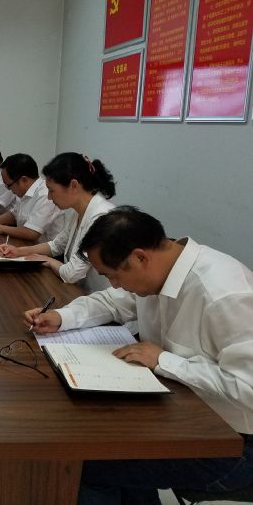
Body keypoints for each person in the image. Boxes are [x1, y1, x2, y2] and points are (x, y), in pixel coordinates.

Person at [23, 206, 253, 504]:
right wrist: (61, 317)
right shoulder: (161, 270)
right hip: (182, 409)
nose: (115, 284)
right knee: (103, 442)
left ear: (140, 258)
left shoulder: (224, 294)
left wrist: (164, 361)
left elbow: (248, 388)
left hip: (235, 444)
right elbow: (112, 301)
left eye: (114, 276)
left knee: (85, 464)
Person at [0, 152, 116, 293]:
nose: (48, 197)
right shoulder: (80, 211)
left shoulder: (99, 216)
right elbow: (56, 245)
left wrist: (47, 260)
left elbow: (71, 274)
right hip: (81, 291)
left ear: (73, 186)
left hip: (102, 297)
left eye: (51, 190)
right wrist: (19, 251)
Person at [0, 153, 63, 243]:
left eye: (9, 185)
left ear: (24, 180)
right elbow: (15, 214)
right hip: (26, 244)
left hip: (44, 249)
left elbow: (32, 233)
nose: (8, 189)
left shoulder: (45, 195)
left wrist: (2, 229)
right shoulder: (24, 192)